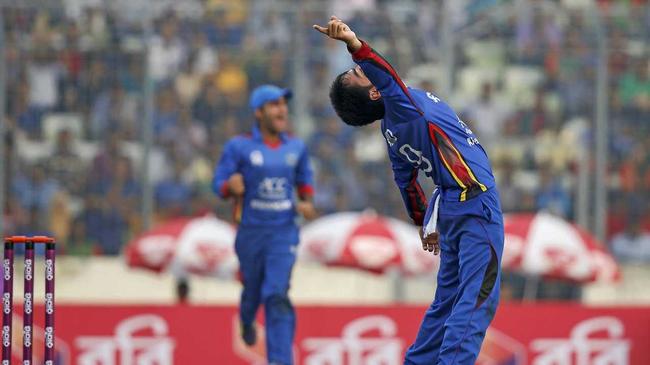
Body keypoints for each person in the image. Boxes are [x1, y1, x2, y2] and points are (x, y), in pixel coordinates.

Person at [314, 17, 504, 364]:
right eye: (358, 74)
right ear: (375, 92)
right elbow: (383, 70)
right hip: (476, 205)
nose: (359, 69)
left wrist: (423, 222)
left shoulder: (391, 127)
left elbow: (406, 181)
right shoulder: (400, 106)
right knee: (476, 299)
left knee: (447, 300)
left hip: (452, 208)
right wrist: (354, 44)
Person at [212, 85, 316, 365]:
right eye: (274, 105)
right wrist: (229, 186)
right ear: (258, 112)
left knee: (276, 293)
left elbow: (305, 182)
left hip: (284, 232)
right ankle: (246, 320)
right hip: (250, 233)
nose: (282, 110)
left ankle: (280, 361)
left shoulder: (296, 146)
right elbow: (218, 183)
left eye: (284, 104)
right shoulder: (239, 146)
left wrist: (306, 202)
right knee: (253, 292)